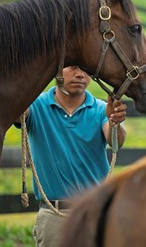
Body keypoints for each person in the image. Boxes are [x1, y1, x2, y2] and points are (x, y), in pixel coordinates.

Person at [15, 66, 127, 247]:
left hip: (95, 213)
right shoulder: (36, 105)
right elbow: (17, 111)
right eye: (73, 67)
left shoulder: (100, 109)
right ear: (56, 70)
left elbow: (116, 142)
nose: (80, 74)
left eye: (85, 69)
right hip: (53, 216)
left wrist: (115, 122)